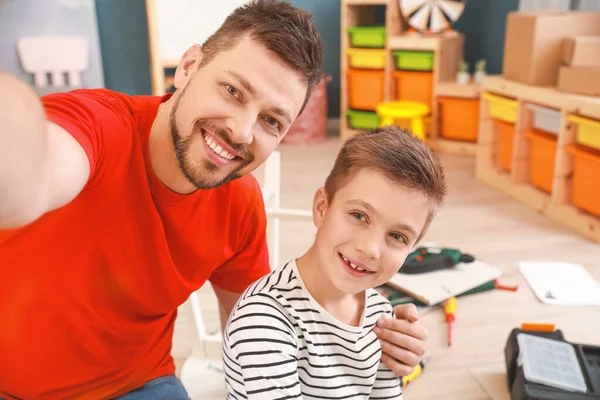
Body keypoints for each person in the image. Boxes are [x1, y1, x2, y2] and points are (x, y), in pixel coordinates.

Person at [0, 1, 426, 399]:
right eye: (233, 91)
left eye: (271, 120)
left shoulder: (240, 204)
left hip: (138, 385)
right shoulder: (99, 128)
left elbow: (254, 323)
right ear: (188, 67)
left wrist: (371, 347)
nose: (242, 131)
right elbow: (33, 174)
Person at [223, 127, 447, 399]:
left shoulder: (380, 312)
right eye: (359, 215)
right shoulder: (265, 319)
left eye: (397, 236)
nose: (371, 249)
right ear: (321, 207)